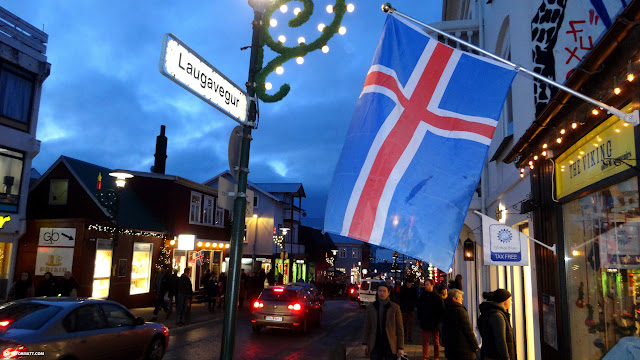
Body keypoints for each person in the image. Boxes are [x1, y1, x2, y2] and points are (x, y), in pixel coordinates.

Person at [362, 284, 405, 360]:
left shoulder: (395, 308)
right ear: (377, 292)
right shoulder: (371, 307)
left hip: (390, 344)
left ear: (388, 293)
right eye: (380, 291)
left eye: (384, 291)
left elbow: (400, 329)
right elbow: (367, 326)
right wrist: (365, 343)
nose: (382, 293)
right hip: (375, 343)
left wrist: (400, 347)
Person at [478, 289, 516, 360]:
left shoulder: (488, 313)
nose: (511, 302)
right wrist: (506, 357)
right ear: (504, 300)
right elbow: (500, 340)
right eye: (510, 299)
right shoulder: (497, 316)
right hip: (496, 356)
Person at [443, 288, 479, 360]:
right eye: (460, 298)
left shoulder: (446, 308)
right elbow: (468, 330)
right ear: (455, 298)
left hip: (451, 346)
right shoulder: (460, 310)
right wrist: (475, 345)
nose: (462, 299)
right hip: (463, 347)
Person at [417, 279, 444, 360]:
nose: (426, 286)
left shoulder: (437, 296)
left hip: (435, 321)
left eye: (427, 284)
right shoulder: (422, 296)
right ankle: (425, 356)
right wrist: (420, 318)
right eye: (425, 284)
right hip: (425, 321)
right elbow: (419, 308)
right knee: (425, 340)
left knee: (436, 341)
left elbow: (441, 309)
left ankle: (436, 356)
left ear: (432, 285)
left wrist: (439, 319)